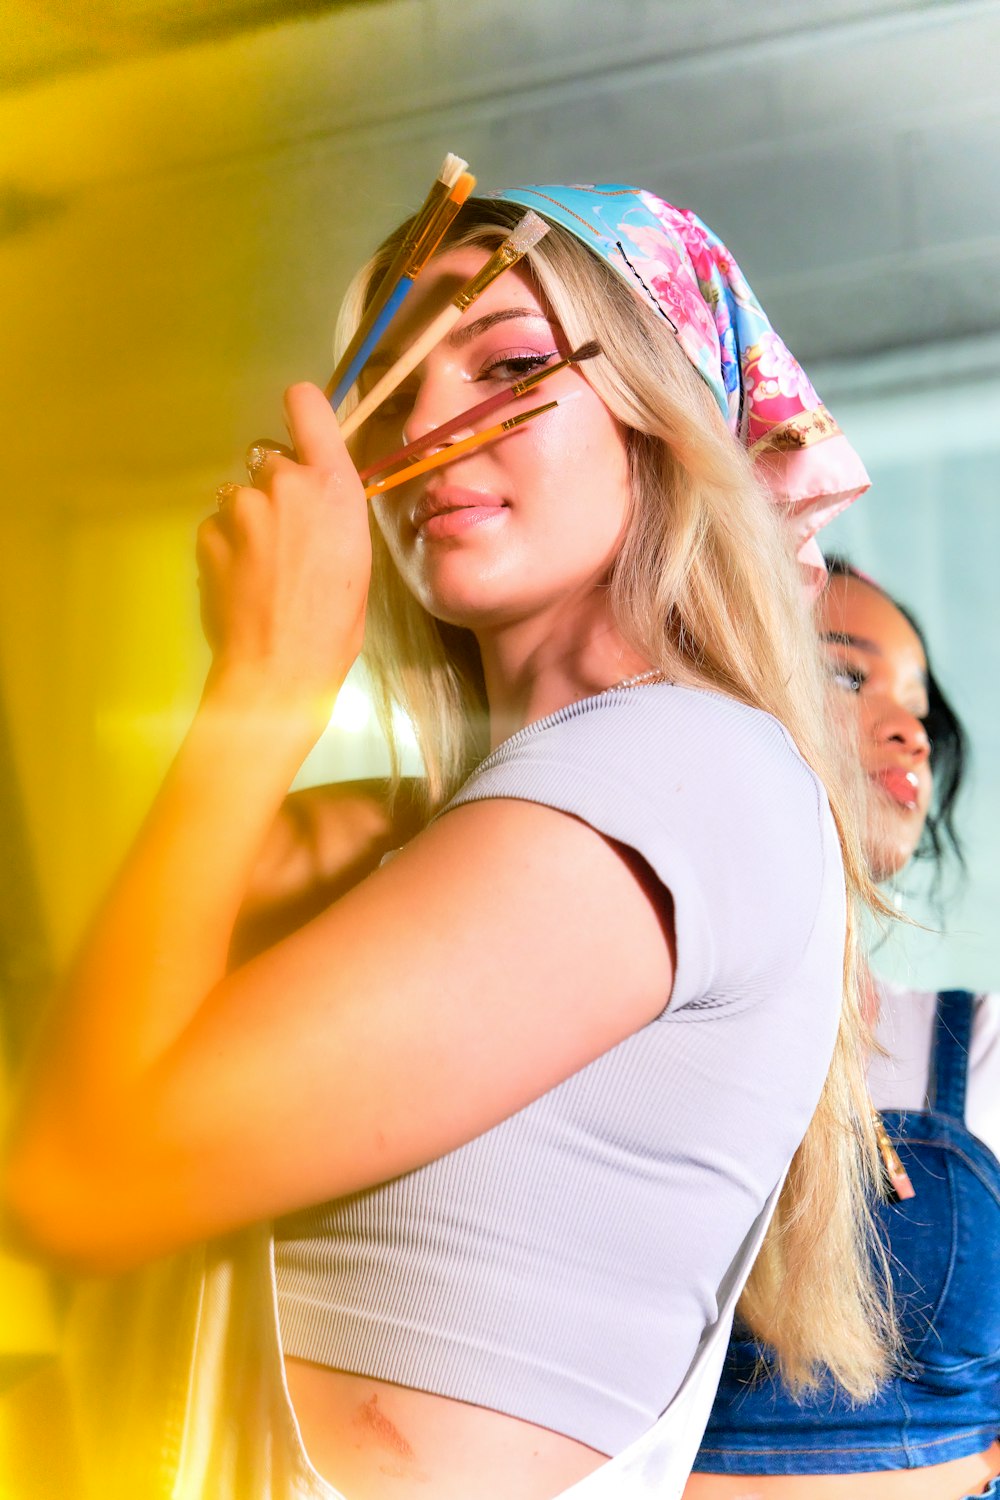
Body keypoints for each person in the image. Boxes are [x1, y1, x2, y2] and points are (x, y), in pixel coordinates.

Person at [4, 185, 888, 1500]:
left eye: (514, 364)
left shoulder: (687, 772)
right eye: (399, 383)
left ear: (664, 425)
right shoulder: (392, 835)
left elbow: (75, 1181)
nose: (423, 426)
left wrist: (257, 695)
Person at [687, 559, 1000, 1500]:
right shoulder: (607, 1044)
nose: (909, 730)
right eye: (845, 675)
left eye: (918, 706)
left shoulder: (980, 1048)